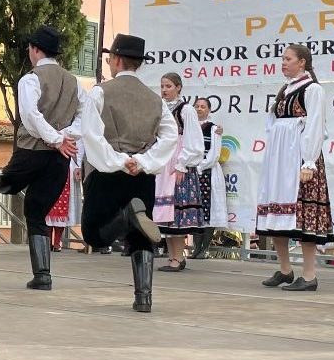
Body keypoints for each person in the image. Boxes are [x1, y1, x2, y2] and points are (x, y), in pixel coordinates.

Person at [0, 25, 83, 290]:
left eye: (30, 48)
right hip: (59, 157)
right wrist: (64, 136)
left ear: (35, 49)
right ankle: (43, 275)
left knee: (13, 181)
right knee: (37, 210)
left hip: (33, 151)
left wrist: (54, 139)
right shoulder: (74, 82)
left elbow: (30, 117)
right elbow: (86, 117)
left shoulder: (30, 79)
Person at [80, 34, 177, 312]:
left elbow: (91, 133)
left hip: (109, 172)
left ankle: (125, 218)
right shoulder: (154, 99)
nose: (109, 61)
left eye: (110, 57)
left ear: (118, 59)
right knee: (141, 237)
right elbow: (170, 136)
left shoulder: (101, 91)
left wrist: (118, 160)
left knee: (94, 235)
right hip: (142, 176)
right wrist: (144, 161)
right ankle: (143, 297)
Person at [257, 44, 333, 292]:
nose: (283, 63)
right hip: (280, 159)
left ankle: (309, 275)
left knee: (303, 218)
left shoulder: (313, 90)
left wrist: (308, 161)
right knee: (278, 216)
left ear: (302, 62)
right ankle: (285, 270)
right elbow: (274, 124)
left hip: (300, 158)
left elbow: (315, 126)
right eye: (282, 59)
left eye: (288, 59)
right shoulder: (285, 90)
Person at [152, 73, 204, 272]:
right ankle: (173, 257)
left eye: (169, 86)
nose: (164, 89)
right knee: (168, 215)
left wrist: (183, 164)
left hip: (178, 162)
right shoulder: (162, 108)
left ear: (179, 87)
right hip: (164, 161)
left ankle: (178, 257)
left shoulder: (186, 110)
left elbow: (194, 141)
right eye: (162, 86)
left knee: (177, 213)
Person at [190, 97, 227, 259]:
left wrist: (200, 166)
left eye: (203, 106)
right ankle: (196, 248)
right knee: (195, 210)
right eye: (197, 106)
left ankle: (204, 248)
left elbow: (215, 153)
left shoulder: (213, 129)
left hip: (208, 171)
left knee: (208, 211)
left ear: (209, 110)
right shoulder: (188, 127)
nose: (199, 109)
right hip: (191, 171)